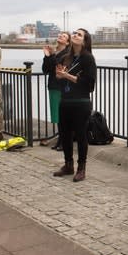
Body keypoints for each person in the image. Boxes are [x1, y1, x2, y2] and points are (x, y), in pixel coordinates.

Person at [52, 28, 96, 182]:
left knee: (81, 135)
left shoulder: (88, 58)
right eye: (75, 33)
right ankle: (68, 164)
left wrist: (67, 76)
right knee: (65, 134)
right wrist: (59, 76)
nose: (75, 35)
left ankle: (81, 168)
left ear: (84, 41)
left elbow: (89, 85)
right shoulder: (66, 57)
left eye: (79, 34)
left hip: (81, 103)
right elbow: (60, 77)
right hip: (65, 101)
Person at [42, 31, 71, 150]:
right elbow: (46, 69)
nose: (60, 36)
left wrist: (52, 55)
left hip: (61, 87)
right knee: (57, 115)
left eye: (63, 36)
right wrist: (47, 56)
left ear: (67, 42)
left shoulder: (67, 53)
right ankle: (60, 140)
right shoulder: (54, 52)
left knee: (62, 115)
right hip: (53, 85)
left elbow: (59, 67)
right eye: (59, 35)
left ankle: (64, 141)